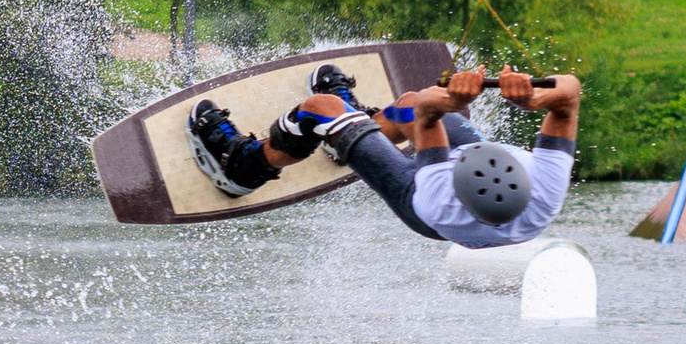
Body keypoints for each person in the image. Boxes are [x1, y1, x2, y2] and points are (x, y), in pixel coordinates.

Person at [188, 61, 579, 247]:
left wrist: (457, 96)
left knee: (320, 107)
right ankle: (354, 131)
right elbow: (571, 93)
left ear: (453, 171)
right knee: (405, 102)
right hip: (483, 208)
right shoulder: (545, 186)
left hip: (421, 209)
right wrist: (533, 95)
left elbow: (429, 109)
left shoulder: (438, 197)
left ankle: (243, 166)